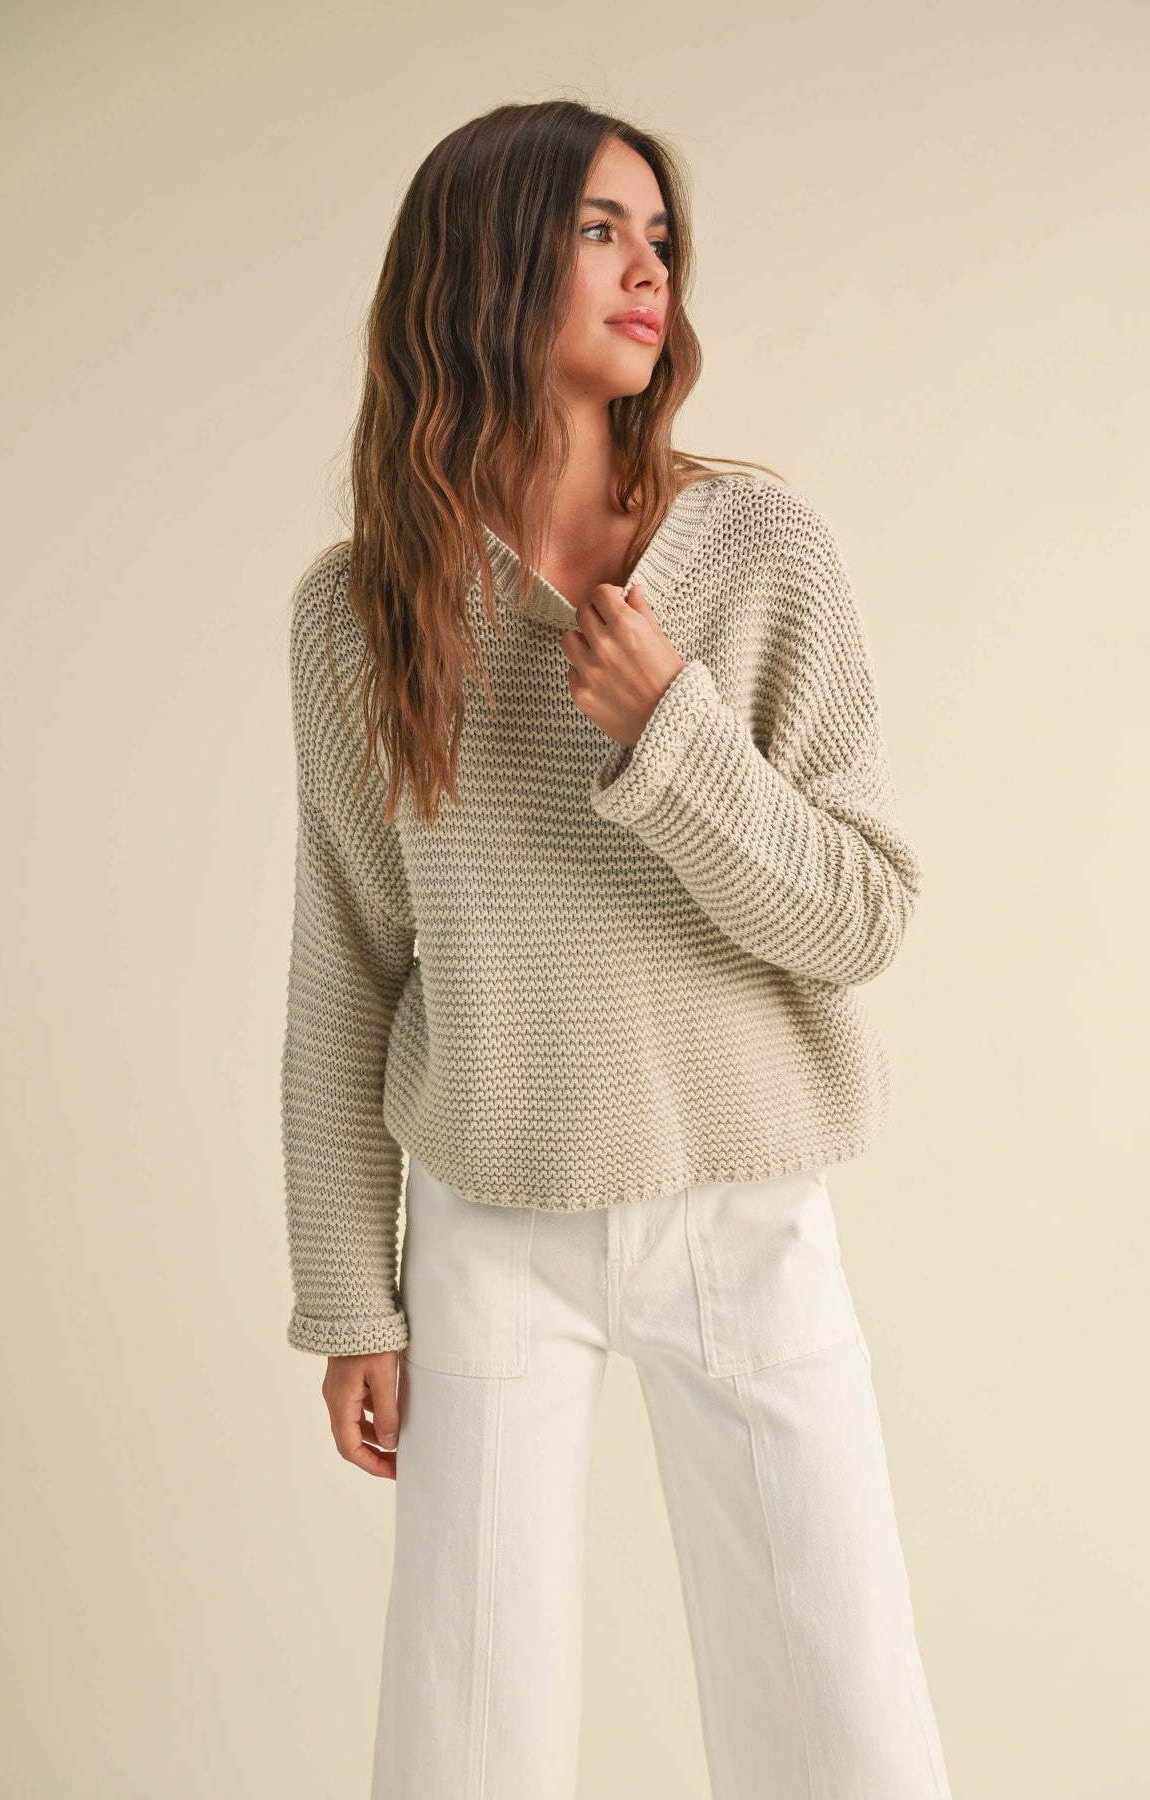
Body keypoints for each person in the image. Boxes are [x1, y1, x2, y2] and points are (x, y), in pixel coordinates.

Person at [280, 96, 953, 1800]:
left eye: (660, 237)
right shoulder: (360, 615)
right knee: (468, 1726)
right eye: (600, 230)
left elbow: (864, 912)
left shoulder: (764, 552)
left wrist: (675, 736)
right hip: (493, 1210)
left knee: (843, 1712)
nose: (650, 269)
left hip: (744, 1196)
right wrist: (350, 1295)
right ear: (484, 265)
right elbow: (348, 967)